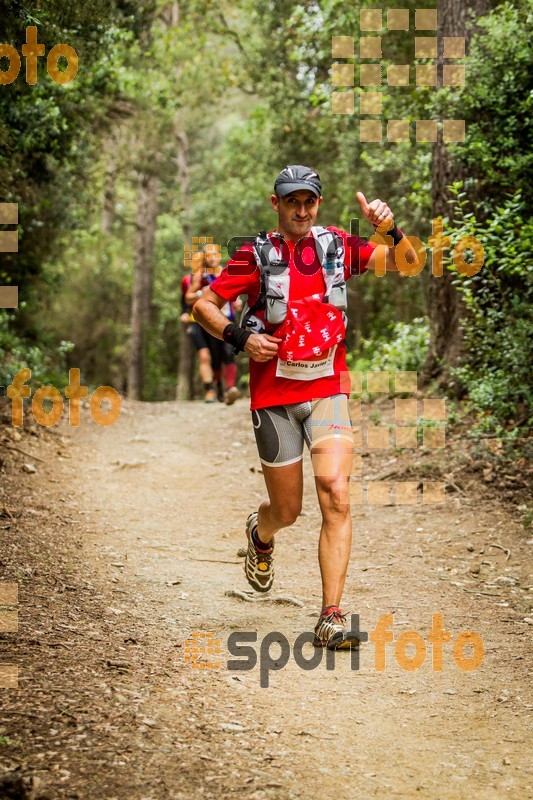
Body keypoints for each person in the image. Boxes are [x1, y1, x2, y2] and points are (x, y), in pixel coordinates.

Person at [192, 165, 419, 649]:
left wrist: (391, 228)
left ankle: (330, 616)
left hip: (328, 390)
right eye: (291, 201)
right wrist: (240, 337)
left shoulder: (337, 246)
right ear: (276, 204)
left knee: (336, 493)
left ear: (318, 203)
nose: (301, 210)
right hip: (274, 396)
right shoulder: (254, 255)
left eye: (309, 201)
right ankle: (262, 532)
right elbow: (204, 306)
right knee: (288, 510)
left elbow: (408, 262)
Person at [185, 244, 242, 404]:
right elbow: (188, 297)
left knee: (229, 351)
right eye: (208, 255)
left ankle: (231, 388)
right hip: (211, 320)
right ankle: (218, 389)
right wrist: (199, 292)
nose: (212, 258)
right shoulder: (200, 275)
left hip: (228, 318)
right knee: (215, 356)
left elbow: (235, 291)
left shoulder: (225, 271)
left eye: (215, 254)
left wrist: (237, 301)